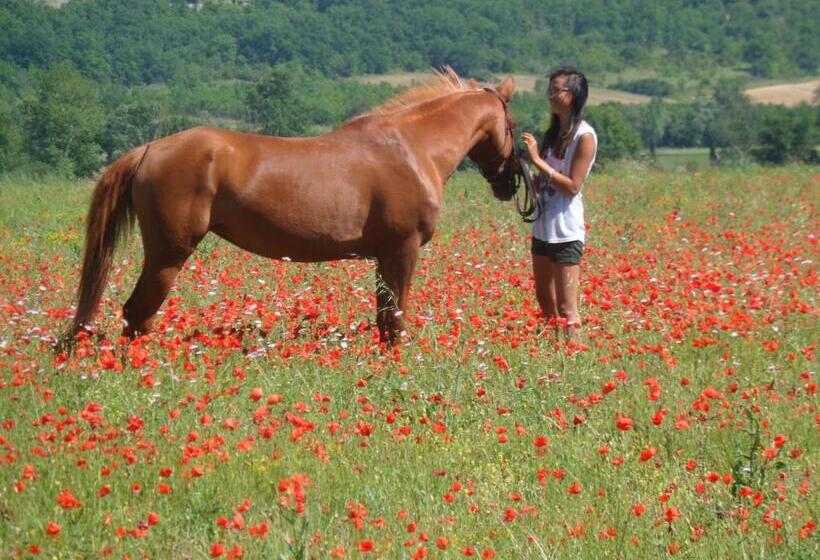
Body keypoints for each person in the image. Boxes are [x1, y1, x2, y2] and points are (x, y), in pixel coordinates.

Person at [521, 67, 597, 340]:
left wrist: (537, 160)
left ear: (573, 95)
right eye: (550, 90)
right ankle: (555, 354)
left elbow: (572, 186)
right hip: (543, 228)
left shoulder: (584, 137)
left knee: (566, 309)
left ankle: (575, 355)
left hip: (566, 232)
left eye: (557, 90)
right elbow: (545, 181)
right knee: (546, 304)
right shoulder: (552, 136)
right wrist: (527, 172)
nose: (551, 96)